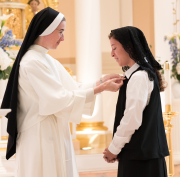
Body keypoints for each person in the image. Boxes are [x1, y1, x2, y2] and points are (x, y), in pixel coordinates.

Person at [1, 7, 124, 177]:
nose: (63, 38)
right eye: (60, 32)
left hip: (53, 130)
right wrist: (101, 88)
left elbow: (72, 89)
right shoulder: (31, 61)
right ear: (46, 30)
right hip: (39, 134)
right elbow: (56, 99)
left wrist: (101, 81)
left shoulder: (46, 59)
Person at [103, 26, 169, 177]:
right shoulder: (138, 75)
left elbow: (131, 119)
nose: (112, 54)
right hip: (143, 157)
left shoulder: (139, 77)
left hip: (141, 161)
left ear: (129, 47)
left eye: (114, 48)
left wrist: (114, 149)